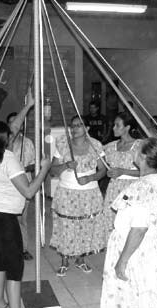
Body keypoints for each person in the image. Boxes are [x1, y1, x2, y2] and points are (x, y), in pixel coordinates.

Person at [99, 137, 157, 308]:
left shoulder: (143, 187)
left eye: (136, 149)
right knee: (137, 296)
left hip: (137, 250)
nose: (132, 151)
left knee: (136, 294)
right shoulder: (156, 181)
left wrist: (122, 260)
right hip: (148, 247)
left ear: (143, 157)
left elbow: (139, 227)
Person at [0, 121, 51, 308]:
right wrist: (44, 169)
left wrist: (29, 104)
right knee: (15, 267)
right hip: (4, 219)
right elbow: (29, 191)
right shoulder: (9, 159)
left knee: (0, 261)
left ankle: (0, 304)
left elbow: (9, 127)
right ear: (9, 138)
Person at [50, 116, 109, 277]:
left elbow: (103, 170)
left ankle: (80, 259)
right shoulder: (63, 144)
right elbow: (52, 170)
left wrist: (89, 178)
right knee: (65, 225)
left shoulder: (96, 145)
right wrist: (65, 165)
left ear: (87, 128)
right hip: (66, 193)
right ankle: (64, 260)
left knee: (85, 225)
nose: (74, 128)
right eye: (72, 125)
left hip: (89, 194)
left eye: (79, 125)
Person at [6, 93, 36, 261]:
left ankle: (23, 248)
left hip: (24, 186)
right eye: (11, 123)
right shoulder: (3, 144)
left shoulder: (28, 143)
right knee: (9, 220)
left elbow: (34, 165)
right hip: (7, 187)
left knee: (22, 219)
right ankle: (10, 248)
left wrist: (23, 168)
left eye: (16, 123)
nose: (14, 127)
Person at [102, 112, 141, 231]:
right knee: (112, 223)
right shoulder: (110, 146)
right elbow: (103, 166)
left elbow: (148, 172)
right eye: (114, 125)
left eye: (117, 125)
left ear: (127, 127)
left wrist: (123, 171)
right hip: (113, 189)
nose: (113, 128)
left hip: (132, 190)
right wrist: (109, 172)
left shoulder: (140, 145)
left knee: (130, 224)